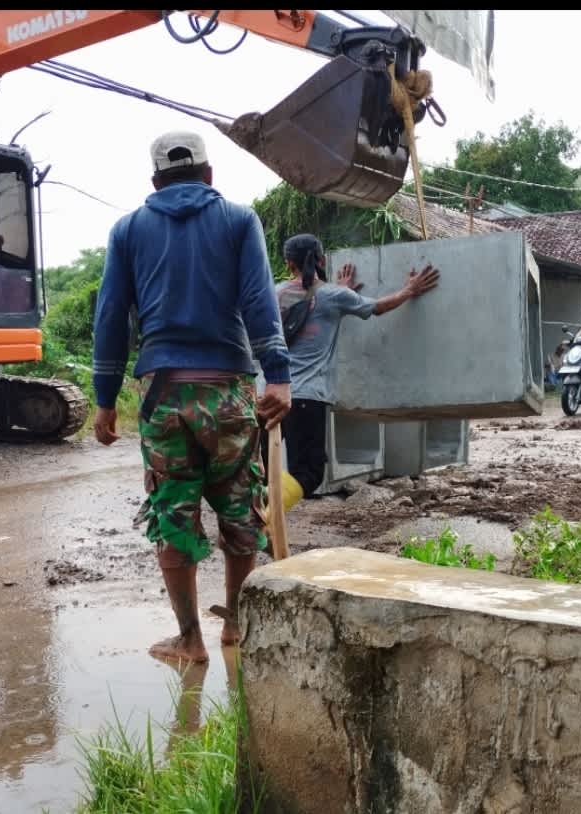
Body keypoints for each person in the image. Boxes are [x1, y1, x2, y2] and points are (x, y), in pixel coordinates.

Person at [91, 129, 292, 665]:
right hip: (229, 392)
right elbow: (258, 300)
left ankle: (190, 640)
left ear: (155, 181)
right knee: (239, 513)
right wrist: (278, 376)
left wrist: (105, 398)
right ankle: (234, 628)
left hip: (164, 395)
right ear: (209, 175)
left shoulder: (128, 229)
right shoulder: (238, 219)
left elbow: (110, 317)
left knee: (172, 514)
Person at [264, 233, 439, 507]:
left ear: (289, 264)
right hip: (307, 398)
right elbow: (377, 308)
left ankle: (254, 521)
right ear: (321, 259)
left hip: (270, 394)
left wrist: (344, 290)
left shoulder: (274, 294)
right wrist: (409, 290)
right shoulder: (335, 296)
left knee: (264, 469)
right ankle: (267, 520)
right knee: (308, 473)